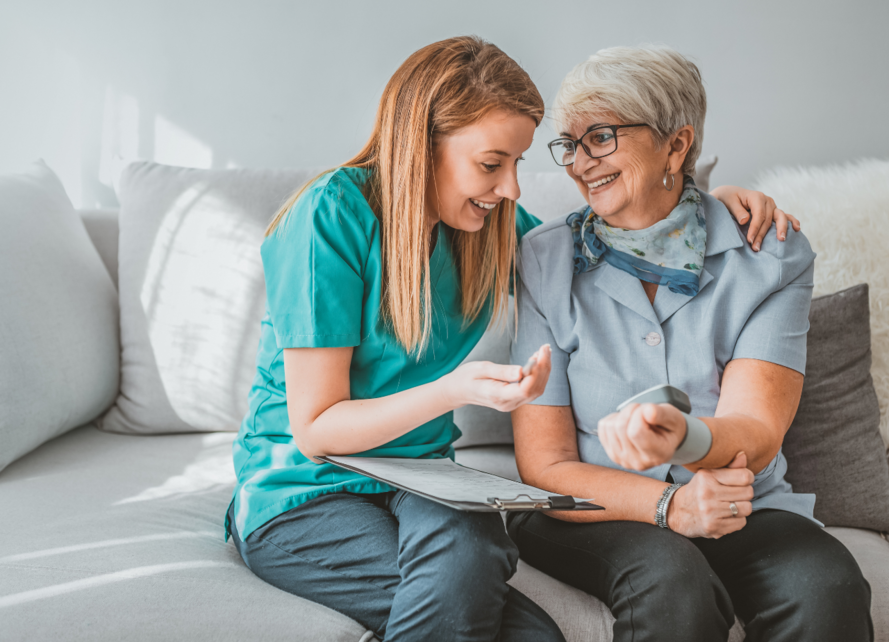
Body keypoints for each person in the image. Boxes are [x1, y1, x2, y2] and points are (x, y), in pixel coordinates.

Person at [227, 36, 798, 641]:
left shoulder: (485, 226)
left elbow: (602, 242)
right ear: (423, 146)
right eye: (492, 163)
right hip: (302, 494)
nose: (511, 189)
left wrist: (707, 210)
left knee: (481, 547)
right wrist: (454, 390)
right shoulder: (330, 217)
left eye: (518, 164)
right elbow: (316, 431)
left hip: (418, 481)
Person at [508, 45, 873, 642]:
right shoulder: (544, 258)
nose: (578, 163)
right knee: (673, 584)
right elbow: (545, 465)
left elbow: (755, 431)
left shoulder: (769, 255)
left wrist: (686, 439)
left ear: (676, 145)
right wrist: (669, 506)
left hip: (737, 500)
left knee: (825, 587)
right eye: (569, 144)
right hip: (592, 508)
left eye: (600, 137)